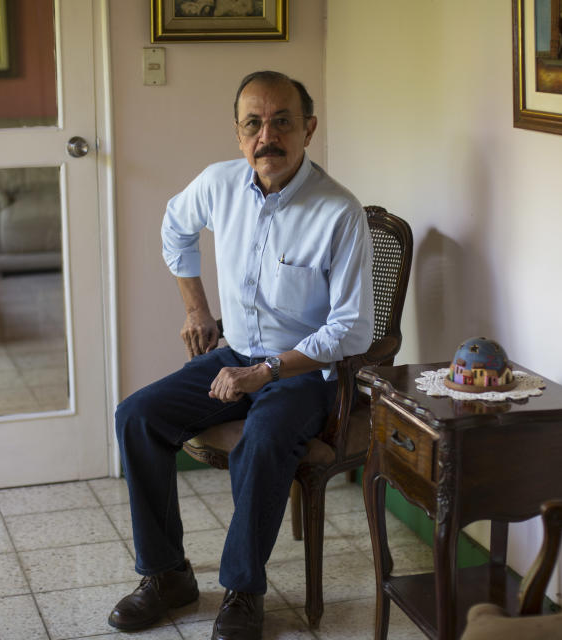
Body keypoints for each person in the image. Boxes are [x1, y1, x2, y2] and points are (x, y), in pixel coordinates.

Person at [108, 70, 374, 640]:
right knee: (137, 416)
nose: (267, 136)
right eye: (254, 123)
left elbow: (351, 330)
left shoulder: (339, 212)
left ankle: (243, 591)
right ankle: (167, 577)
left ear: (309, 128)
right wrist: (196, 310)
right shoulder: (218, 183)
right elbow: (174, 229)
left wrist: (267, 372)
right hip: (234, 356)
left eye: (282, 122)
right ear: (237, 133)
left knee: (263, 439)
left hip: (302, 373)